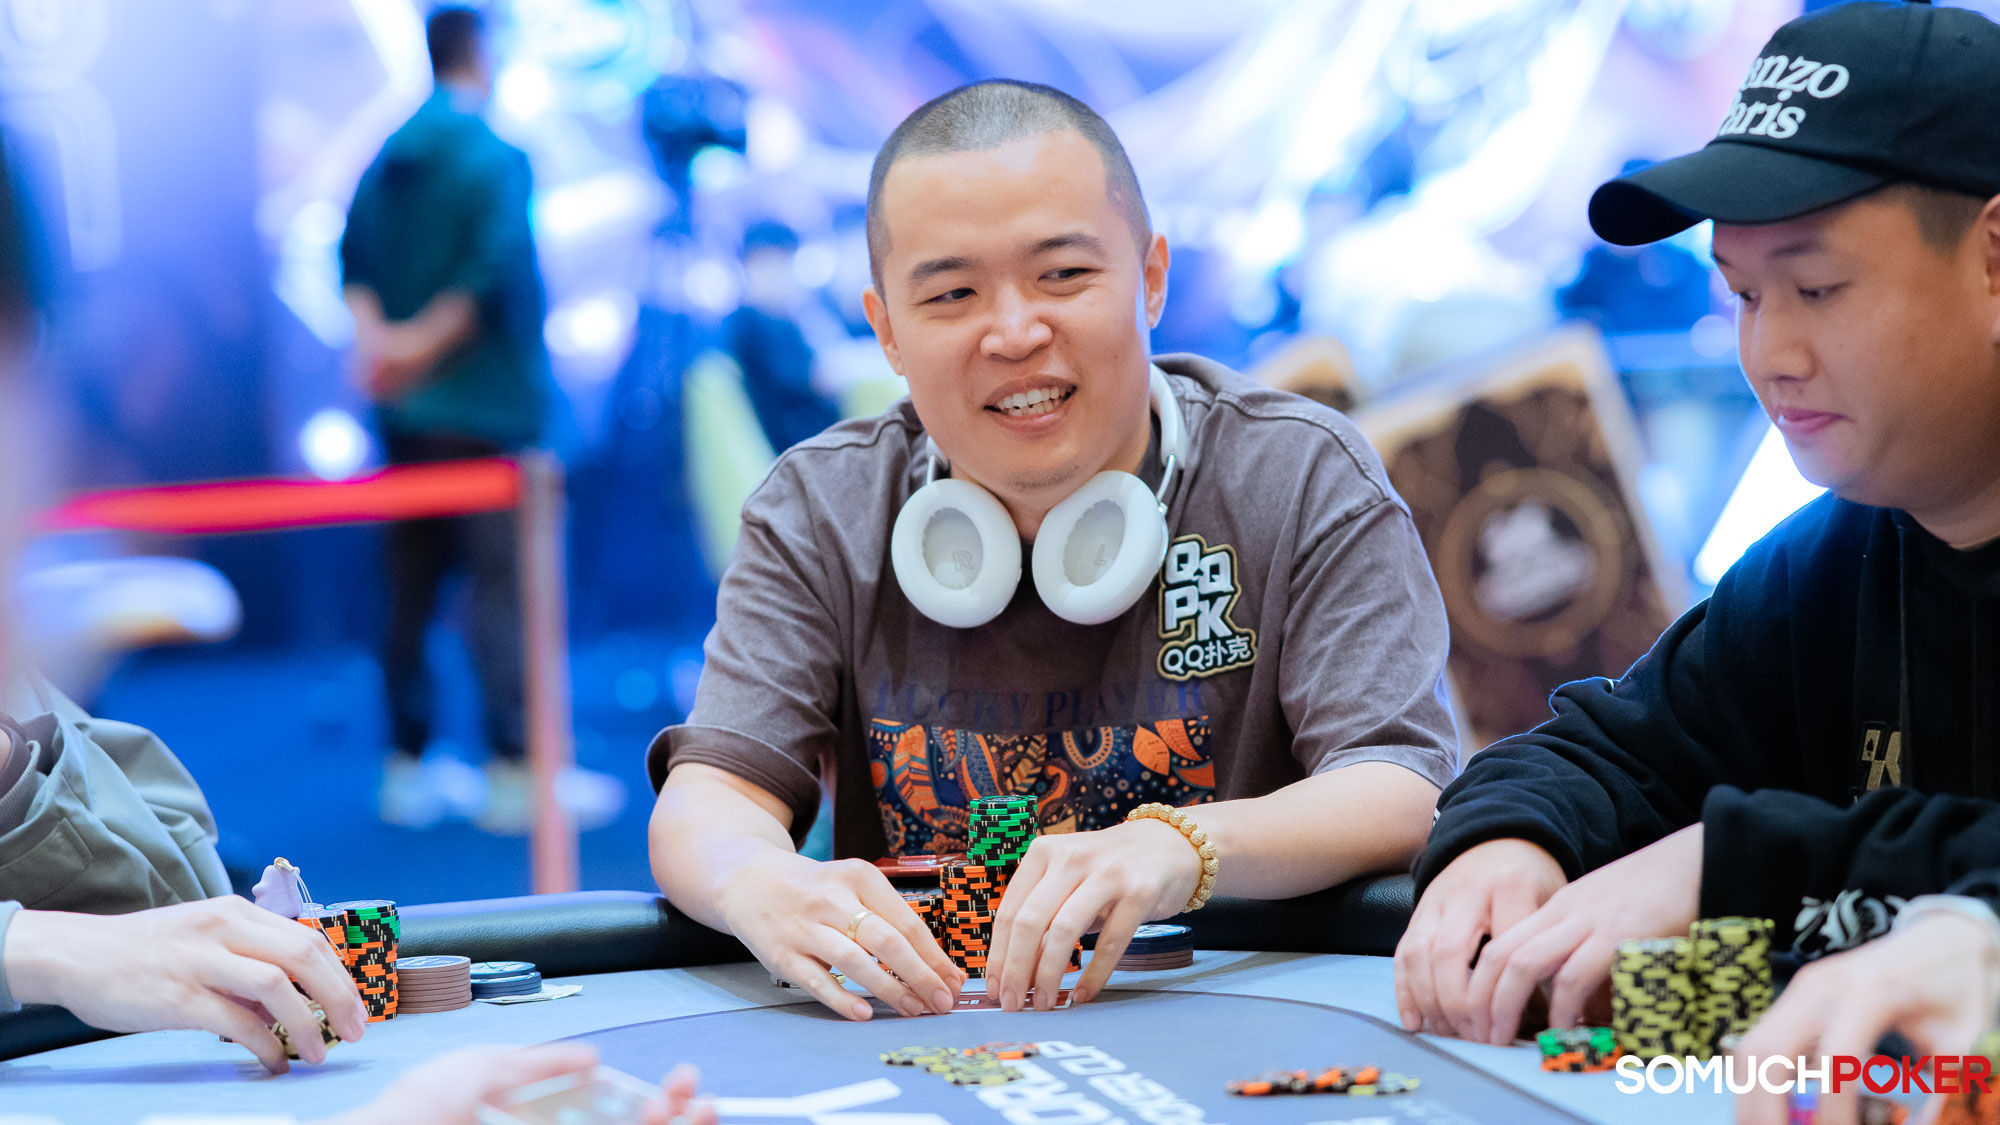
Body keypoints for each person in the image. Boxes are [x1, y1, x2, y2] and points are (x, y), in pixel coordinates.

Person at [649, 79, 1456, 1023]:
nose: (1015, 332)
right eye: (952, 293)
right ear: (887, 330)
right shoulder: (822, 507)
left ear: (1151, 278)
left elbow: (1398, 785)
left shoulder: (1298, 474)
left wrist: (1176, 844)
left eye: (1063, 275)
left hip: (1241, 1021)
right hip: (936, 1036)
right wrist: (754, 878)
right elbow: (713, 799)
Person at [1392, 5, 2000, 1117]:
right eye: (1743, 296)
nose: (1769, 353)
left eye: (1816, 289)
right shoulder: (1828, 557)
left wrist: (1723, 864)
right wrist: (1506, 844)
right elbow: (1605, 750)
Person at [341, 6, 616, 833]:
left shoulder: (387, 153)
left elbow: (349, 258)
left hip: (404, 413)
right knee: (507, 591)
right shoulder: (497, 154)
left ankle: (409, 763)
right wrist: (419, 346)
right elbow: (491, 275)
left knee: (410, 590)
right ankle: (514, 769)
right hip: (488, 412)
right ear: (482, 48)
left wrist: (385, 349)